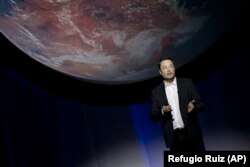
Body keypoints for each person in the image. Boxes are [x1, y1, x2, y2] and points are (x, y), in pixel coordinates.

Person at [151, 57, 205, 152]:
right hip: (174, 138)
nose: (168, 70)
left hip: (192, 133)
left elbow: (201, 104)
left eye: (171, 66)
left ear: (174, 68)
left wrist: (194, 107)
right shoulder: (156, 92)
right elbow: (153, 115)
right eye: (164, 68)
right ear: (160, 72)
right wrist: (163, 111)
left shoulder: (187, 83)